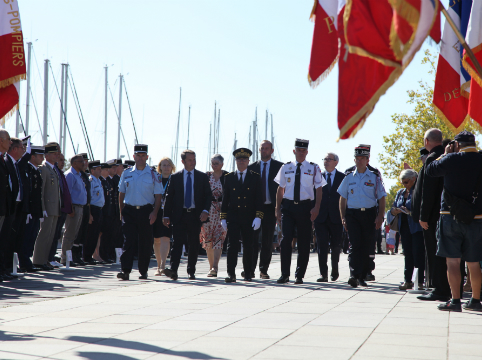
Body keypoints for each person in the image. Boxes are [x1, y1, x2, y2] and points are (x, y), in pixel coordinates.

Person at [426, 131, 482, 311]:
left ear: (457, 144)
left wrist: (445, 154)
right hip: (476, 217)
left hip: (450, 216)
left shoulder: (451, 159)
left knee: (452, 261)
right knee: (474, 262)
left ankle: (455, 300)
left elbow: (430, 170)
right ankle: (475, 300)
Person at [275, 139, 325, 284]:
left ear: (307, 152)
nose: (301, 152)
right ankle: (284, 274)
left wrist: (316, 207)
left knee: (303, 242)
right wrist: (277, 208)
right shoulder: (286, 167)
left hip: (305, 207)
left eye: (303, 150)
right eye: (298, 150)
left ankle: (299, 275)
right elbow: (280, 188)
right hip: (289, 207)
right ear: (294, 151)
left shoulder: (313, 168)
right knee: (285, 240)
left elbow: (319, 188)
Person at [338, 145, 386, 288]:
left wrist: (380, 216)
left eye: (362, 159)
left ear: (367, 160)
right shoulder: (348, 177)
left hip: (369, 214)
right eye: (357, 159)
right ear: (354, 159)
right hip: (352, 214)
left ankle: (363, 275)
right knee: (354, 244)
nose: (359, 161)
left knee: (366, 245)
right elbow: (342, 198)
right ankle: (354, 275)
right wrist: (343, 217)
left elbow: (381, 198)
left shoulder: (374, 177)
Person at [163, 150, 212, 281]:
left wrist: (205, 211)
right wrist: (166, 215)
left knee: (193, 244)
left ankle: (191, 271)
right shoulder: (175, 177)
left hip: (195, 215)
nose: (193, 162)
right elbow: (169, 197)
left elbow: (208, 196)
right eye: (190, 160)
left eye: (194, 159)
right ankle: (173, 270)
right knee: (177, 243)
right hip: (179, 215)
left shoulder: (202, 177)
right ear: (183, 161)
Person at [414, 129, 451, 301]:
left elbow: (428, 191)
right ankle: (445, 287)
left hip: (432, 216)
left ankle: (439, 289)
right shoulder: (446, 156)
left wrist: (423, 216)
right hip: (443, 213)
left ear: (427, 140)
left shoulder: (432, 158)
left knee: (434, 252)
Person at [117, 144, 162, 280]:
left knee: (145, 242)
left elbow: (158, 195)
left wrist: (154, 212)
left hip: (146, 211)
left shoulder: (154, 174)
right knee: (128, 240)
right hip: (129, 210)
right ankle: (125, 270)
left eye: (143, 156)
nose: (140, 158)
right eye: (138, 155)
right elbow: (121, 192)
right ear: (134, 157)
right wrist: (121, 211)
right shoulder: (126, 173)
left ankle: (143, 271)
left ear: (147, 157)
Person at [221, 148, 263, 282]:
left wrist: (258, 216)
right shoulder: (229, 177)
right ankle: (231, 273)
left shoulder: (255, 177)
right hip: (233, 217)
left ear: (248, 161)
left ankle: (248, 272)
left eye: (244, 159)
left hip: (249, 217)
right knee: (232, 246)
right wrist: (223, 217)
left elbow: (259, 198)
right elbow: (225, 198)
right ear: (236, 161)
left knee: (249, 245)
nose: (242, 161)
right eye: (239, 159)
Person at [247, 140, 282, 279]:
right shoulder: (251, 167)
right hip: (254, 209)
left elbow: (283, 188)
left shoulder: (280, 167)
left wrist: (279, 208)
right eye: (262, 148)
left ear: (272, 151)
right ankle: (250, 269)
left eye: (267, 148)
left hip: (270, 208)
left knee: (267, 240)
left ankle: (263, 270)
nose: (264, 150)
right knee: (252, 240)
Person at [390, 169, 425, 290]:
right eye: (402, 182)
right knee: (407, 254)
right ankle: (407, 280)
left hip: (416, 227)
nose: (404, 185)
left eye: (406, 182)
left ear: (413, 179)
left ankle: (419, 281)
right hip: (404, 227)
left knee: (418, 254)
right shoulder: (400, 192)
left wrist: (410, 212)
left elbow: (422, 208)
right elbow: (394, 206)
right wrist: (394, 211)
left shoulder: (419, 191)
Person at [314, 152, 345, 282]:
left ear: (336, 162)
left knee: (335, 246)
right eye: (325, 159)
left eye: (329, 159)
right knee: (321, 246)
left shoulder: (343, 177)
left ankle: (335, 270)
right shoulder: (318, 177)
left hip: (336, 217)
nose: (326, 161)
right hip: (320, 217)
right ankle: (323, 274)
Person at [32, 143, 61, 270]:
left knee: (50, 235)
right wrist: (42, 208)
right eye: (54, 154)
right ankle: (38, 260)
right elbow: (42, 191)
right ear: (47, 155)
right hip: (48, 208)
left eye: (57, 153)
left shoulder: (53, 169)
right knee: (44, 234)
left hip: (54, 208)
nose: (57, 156)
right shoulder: (43, 169)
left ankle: (44, 260)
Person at [200, 154, 228, 277]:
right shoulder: (206, 176)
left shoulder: (227, 176)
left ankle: (215, 267)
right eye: (212, 163)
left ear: (222, 164)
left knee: (219, 238)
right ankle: (211, 266)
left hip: (221, 211)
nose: (214, 165)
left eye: (216, 163)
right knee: (208, 239)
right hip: (208, 211)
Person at [19, 146, 45, 272]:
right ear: (32, 157)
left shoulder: (36, 171)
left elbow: (38, 193)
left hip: (35, 209)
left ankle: (27, 260)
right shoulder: (28, 169)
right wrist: (28, 209)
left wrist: (40, 210)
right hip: (29, 209)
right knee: (26, 236)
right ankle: (24, 262)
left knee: (32, 236)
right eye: (40, 156)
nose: (42, 158)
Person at [60, 154, 87, 266]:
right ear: (74, 163)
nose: (83, 163)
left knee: (73, 235)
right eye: (81, 161)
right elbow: (67, 194)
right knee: (69, 234)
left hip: (80, 207)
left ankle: (68, 258)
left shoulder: (79, 175)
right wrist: (70, 209)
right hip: (74, 208)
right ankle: (65, 258)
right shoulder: (70, 175)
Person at [152, 157, 175, 276]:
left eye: (168, 165)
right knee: (156, 239)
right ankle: (157, 264)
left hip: (169, 212)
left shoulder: (175, 179)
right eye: (163, 165)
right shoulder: (156, 179)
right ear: (159, 167)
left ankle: (162, 265)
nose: (166, 167)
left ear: (172, 167)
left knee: (165, 237)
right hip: (157, 210)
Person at [83, 160, 105, 264]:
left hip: (99, 210)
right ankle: (86, 256)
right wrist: (90, 214)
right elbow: (89, 199)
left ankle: (90, 256)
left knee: (96, 234)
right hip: (93, 209)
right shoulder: (91, 181)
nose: (101, 171)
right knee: (90, 234)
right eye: (98, 169)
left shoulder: (98, 180)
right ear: (92, 170)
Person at [72, 153, 92, 266]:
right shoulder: (76, 175)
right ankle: (74, 256)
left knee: (83, 233)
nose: (85, 163)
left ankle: (78, 255)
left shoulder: (83, 175)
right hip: (78, 206)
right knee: (77, 233)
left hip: (85, 207)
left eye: (86, 161)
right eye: (83, 161)